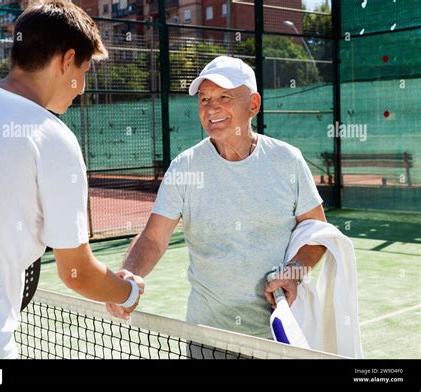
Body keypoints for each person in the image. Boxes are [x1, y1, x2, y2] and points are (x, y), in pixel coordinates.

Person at [0, 0, 143, 359]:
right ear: (66, 61)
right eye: (83, 70)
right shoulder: (52, 137)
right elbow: (75, 271)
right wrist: (126, 292)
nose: (82, 87)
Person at [107, 56, 327, 340]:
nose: (211, 107)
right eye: (204, 98)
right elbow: (153, 238)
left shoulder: (287, 160)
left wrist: (295, 270)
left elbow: (318, 233)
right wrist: (128, 275)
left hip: (279, 336)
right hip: (207, 336)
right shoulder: (185, 168)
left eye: (224, 96)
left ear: (254, 105)